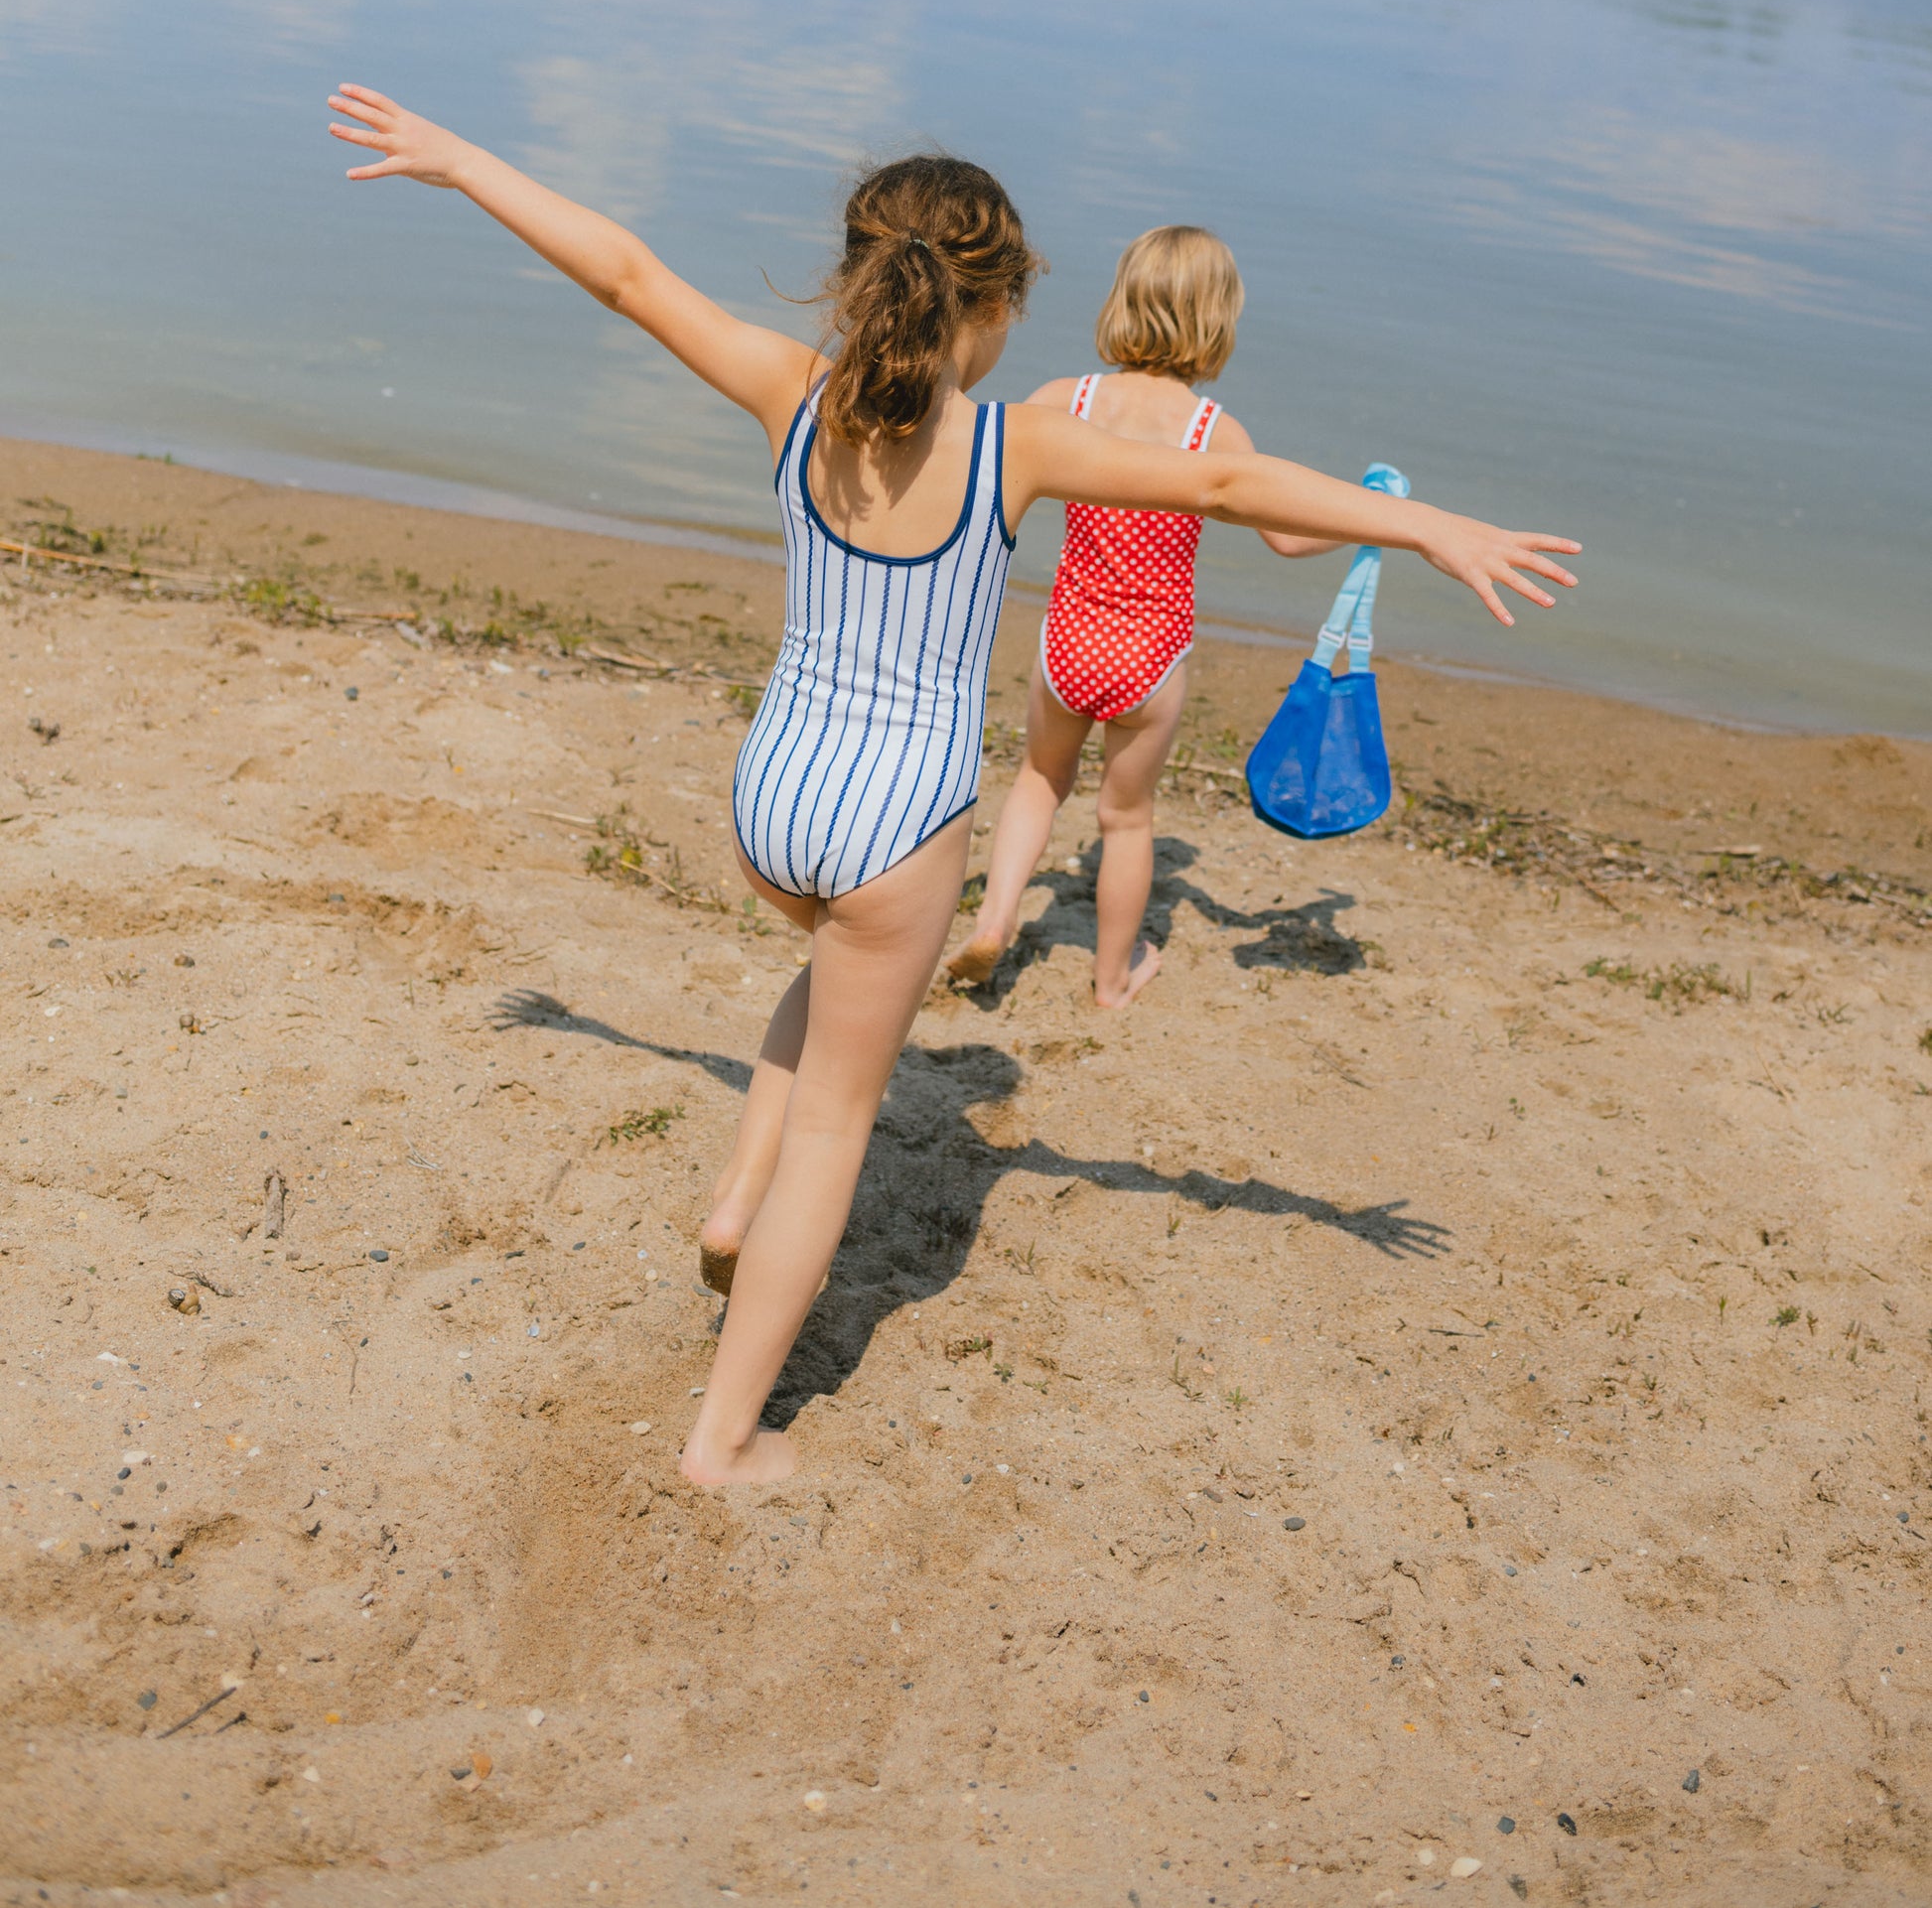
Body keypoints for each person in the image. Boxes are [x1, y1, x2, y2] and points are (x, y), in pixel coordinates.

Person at [327, 85, 1579, 1486]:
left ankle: (733, 1198)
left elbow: (623, 270)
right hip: (894, 826)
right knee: (840, 1128)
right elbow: (1226, 491)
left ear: (864, 272)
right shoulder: (1010, 446)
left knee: (821, 981)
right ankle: (725, 1438)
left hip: (772, 799)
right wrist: (1421, 522)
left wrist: (464, 158)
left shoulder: (784, 389)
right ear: (988, 306)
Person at [943, 224, 1332, 1008]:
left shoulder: (1067, 401)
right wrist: (1368, 520)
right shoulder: (1213, 433)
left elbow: (978, 458)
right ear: (1218, 321)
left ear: (1121, 301)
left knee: (1039, 779)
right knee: (1124, 818)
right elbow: (1288, 537)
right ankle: (1111, 977)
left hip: (1069, 641)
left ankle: (994, 918)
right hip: (1149, 658)